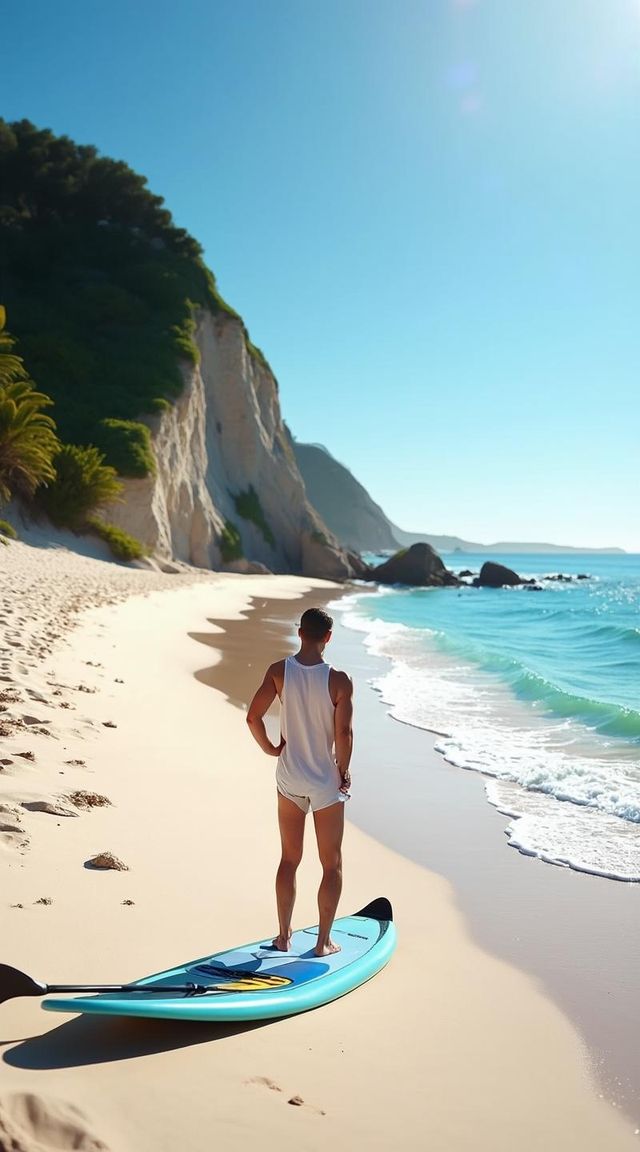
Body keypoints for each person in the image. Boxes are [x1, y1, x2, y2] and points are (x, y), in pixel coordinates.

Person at [246, 607, 353, 957]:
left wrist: (271, 749)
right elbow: (344, 732)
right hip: (324, 781)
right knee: (331, 864)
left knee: (289, 859)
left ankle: (283, 937)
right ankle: (323, 943)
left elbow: (253, 717)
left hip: (289, 777)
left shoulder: (279, 671)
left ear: (300, 633)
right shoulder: (339, 680)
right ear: (328, 637)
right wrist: (343, 770)